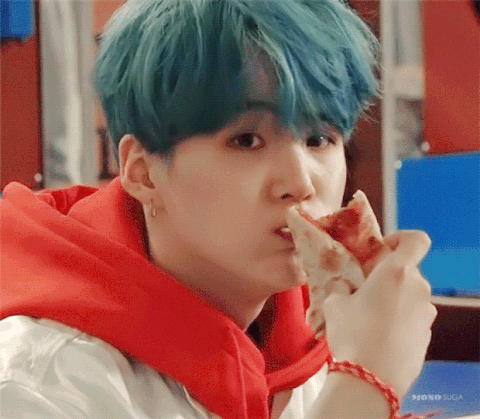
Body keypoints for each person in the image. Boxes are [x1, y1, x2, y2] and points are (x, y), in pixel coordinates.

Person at [0, 0, 437, 418]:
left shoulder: (331, 336)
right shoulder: (38, 386)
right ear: (144, 173)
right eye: (247, 140)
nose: (300, 183)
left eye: (318, 138)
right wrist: (363, 387)